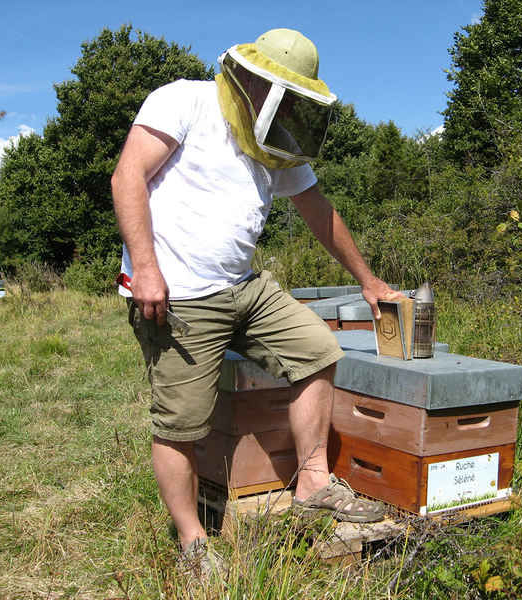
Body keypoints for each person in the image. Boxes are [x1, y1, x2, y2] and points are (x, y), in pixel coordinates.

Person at [111, 28, 401, 577]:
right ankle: (194, 542)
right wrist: (145, 269)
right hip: (181, 294)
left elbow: (319, 212)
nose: (288, 108)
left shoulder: (276, 140)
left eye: (297, 100)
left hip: (244, 286)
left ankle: (313, 482)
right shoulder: (184, 101)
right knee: (181, 424)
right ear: (250, 78)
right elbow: (128, 176)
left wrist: (368, 279)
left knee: (317, 350)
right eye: (282, 94)